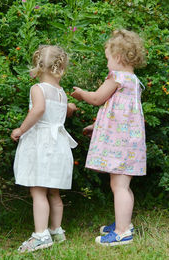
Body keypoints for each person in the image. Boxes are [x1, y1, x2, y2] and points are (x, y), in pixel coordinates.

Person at [71, 29, 147, 246]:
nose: (107, 64)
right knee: (124, 185)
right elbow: (120, 114)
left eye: (107, 59)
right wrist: (96, 126)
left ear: (118, 57)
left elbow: (97, 99)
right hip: (130, 141)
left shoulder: (116, 77)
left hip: (120, 144)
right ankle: (125, 223)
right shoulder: (134, 81)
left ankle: (122, 232)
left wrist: (81, 94)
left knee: (119, 186)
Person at [11, 45, 78, 252]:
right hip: (58, 145)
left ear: (38, 67)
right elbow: (65, 112)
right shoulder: (61, 93)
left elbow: (39, 110)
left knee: (38, 191)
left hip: (43, 144)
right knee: (54, 192)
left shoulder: (37, 89)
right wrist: (71, 108)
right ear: (61, 68)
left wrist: (21, 129)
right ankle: (56, 230)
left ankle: (40, 235)